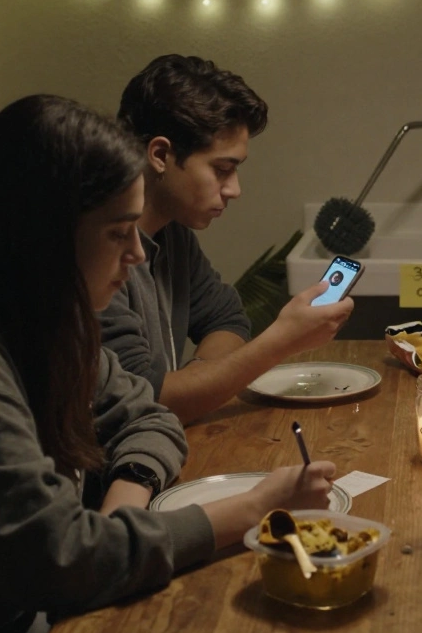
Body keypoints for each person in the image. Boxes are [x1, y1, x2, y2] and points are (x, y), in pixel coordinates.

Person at [0, 96, 335, 633]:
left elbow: (147, 415)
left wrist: (119, 512)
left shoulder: (47, 315)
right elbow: (57, 562)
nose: (136, 255)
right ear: (45, 234)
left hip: (27, 615)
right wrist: (251, 508)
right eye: (118, 232)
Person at [101, 55, 353, 425]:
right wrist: (281, 341)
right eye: (221, 170)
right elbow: (145, 401)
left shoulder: (174, 235)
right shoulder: (94, 254)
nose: (234, 189)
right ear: (160, 155)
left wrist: (196, 377)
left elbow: (227, 319)